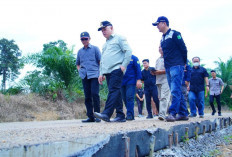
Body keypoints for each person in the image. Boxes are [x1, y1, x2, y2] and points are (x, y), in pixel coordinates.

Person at [94, 21, 132, 122]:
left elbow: (128, 51)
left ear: (111, 28)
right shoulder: (105, 45)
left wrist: (123, 66)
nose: (103, 31)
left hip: (117, 69)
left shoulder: (119, 38)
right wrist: (101, 73)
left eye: (105, 29)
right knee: (116, 92)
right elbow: (102, 61)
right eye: (101, 30)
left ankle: (107, 113)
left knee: (113, 90)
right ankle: (120, 115)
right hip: (108, 71)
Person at [152, 16, 188, 122]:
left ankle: (172, 113)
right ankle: (183, 113)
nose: (157, 26)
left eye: (158, 24)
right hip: (168, 67)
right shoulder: (162, 38)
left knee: (175, 90)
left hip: (177, 65)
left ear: (164, 23)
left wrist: (184, 63)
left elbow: (183, 48)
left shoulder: (175, 34)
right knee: (178, 91)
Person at [76, 32, 101, 123]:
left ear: (89, 39)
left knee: (95, 94)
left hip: (94, 75)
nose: (84, 41)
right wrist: (80, 71)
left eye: (86, 39)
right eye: (82, 39)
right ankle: (90, 117)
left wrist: (101, 74)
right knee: (87, 97)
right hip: (84, 76)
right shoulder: (80, 51)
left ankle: (98, 115)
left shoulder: (95, 49)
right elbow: (77, 64)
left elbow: (100, 62)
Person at [151, 45, 171, 121]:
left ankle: (162, 114)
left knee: (164, 97)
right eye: (159, 47)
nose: (160, 48)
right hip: (158, 80)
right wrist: (154, 72)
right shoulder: (158, 59)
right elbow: (157, 70)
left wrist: (159, 71)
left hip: (166, 80)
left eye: (161, 47)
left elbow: (169, 69)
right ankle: (171, 113)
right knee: (163, 98)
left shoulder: (168, 58)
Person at [121, 55, 142, 120]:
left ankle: (129, 114)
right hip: (121, 81)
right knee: (124, 98)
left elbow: (138, 69)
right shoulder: (119, 58)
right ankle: (131, 113)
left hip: (131, 81)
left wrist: (138, 80)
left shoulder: (134, 58)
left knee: (129, 97)